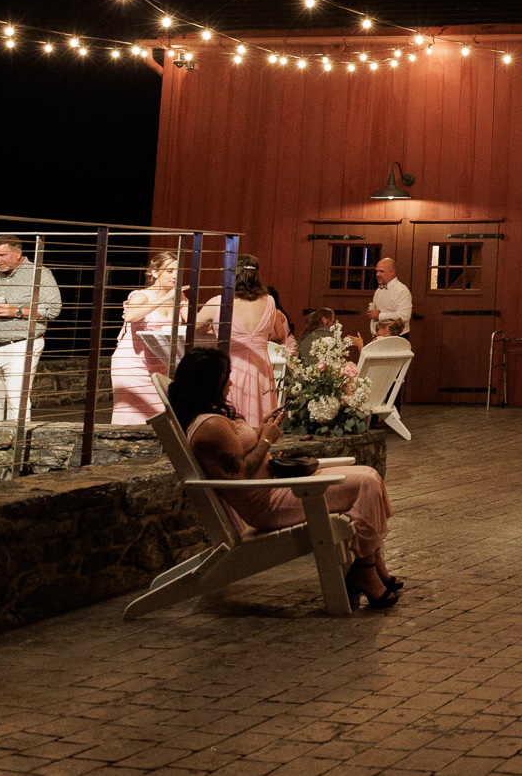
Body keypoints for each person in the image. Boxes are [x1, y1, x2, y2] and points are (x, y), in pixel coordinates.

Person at [168, 346, 401, 608]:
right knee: (366, 483)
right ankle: (366, 571)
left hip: (279, 486)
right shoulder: (210, 426)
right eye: (226, 376)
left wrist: (262, 429)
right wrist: (267, 439)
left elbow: (239, 450)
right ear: (209, 382)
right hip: (268, 503)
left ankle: (373, 565)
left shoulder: (214, 417)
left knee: (370, 476)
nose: (231, 381)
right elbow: (241, 472)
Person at [196, 255, 292, 427]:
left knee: (231, 417)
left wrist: (213, 329)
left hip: (233, 367)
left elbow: (194, 330)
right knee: (260, 416)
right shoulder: (270, 302)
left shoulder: (218, 303)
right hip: (261, 368)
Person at [0, 238, 62, 422]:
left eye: (2, 255)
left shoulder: (39, 274)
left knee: (17, 401)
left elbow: (53, 309)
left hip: (20, 345)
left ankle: (15, 444)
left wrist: (16, 311)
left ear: (18, 254)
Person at [112, 250, 188, 424]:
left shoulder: (179, 297)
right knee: (132, 414)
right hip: (132, 364)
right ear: (155, 272)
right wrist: (166, 297)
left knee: (161, 414)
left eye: (178, 272)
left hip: (159, 364)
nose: (175, 276)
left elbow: (196, 323)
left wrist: (185, 302)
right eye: (169, 271)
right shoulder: (141, 295)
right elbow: (130, 316)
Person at [365, 256, 412, 335]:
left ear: (392, 272)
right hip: (379, 336)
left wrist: (380, 315)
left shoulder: (401, 291)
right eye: (377, 271)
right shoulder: (379, 290)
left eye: (381, 271)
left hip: (396, 338)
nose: (377, 274)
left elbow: (404, 316)